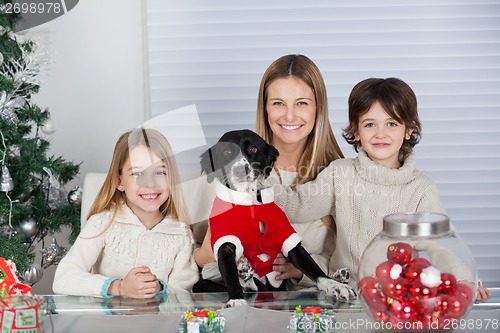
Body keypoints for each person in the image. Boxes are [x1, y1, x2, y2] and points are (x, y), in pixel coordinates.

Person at [273, 77, 491, 300]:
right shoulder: (340, 174)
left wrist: (465, 279)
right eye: (369, 124)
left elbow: (442, 243)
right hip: (345, 300)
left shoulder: (420, 190)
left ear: (408, 130)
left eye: (392, 123)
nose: (380, 133)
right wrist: (254, 188)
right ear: (356, 131)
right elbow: (298, 205)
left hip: (396, 303)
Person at [194, 54, 345, 291]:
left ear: (319, 108)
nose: (289, 115)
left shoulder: (339, 176)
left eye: (302, 103)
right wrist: (205, 253)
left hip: (309, 311)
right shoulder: (227, 171)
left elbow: (347, 262)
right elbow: (192, 257)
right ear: (265, 108)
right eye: (278, 103)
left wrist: (299, 271)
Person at [53, 128, 198, 298]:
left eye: (159, 172)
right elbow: (63, 278)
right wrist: (118, 287)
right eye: (137, 173)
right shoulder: (102, 224)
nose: (150, 183)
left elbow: (184, 295)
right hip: (107, 323)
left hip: (159, 324)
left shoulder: (181, 234)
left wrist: (159, 288)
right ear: (120, 181)